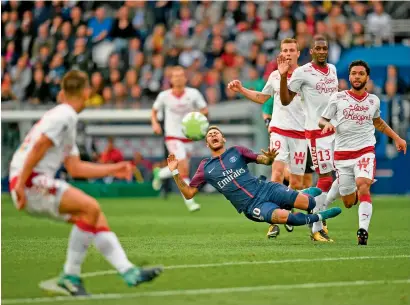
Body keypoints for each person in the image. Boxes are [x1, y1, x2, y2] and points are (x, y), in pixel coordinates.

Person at [9, 70, 162, 296]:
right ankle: (70, 275)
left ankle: (129, 271)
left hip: (31, 180)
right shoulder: (65, 115)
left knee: (95, 217)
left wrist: (115, 169)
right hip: (30, 181)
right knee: (90, 207)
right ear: (87, 92)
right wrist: (21, 184)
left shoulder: (65, 117)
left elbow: (75, 167)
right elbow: (40, 145)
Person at [166, 126, 342, 228]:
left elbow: (262, 160)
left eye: (216, 133)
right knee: (285, 217)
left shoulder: (237, 151)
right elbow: (189, 193)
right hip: (252, 206)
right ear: (207, 143)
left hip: (266, 189)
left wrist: (270, 159)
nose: (213, 135)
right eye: (210, 135)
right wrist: (175, 172)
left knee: (309, 203)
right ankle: (319, 218)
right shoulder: (205, 167)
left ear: (223, 139)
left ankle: (304, 194)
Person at [227, 38, 312, 238]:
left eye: (292, 50)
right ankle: (272, 221)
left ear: (298, 53)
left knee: (298, 183)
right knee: (276, 174)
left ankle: (286, 211)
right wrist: (241, 89)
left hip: (300, 134)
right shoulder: (275, 75)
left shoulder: (306, 76)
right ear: (280, 54)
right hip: (279, 130)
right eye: (285, 50)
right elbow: (262, 97)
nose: (289, 53)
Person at [319, 60, 407, 245]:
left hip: (365, 151)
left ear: (367, 77)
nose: (357, 76)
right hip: (342, 155)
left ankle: (363, 231)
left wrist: (397, 138)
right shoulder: (338, 98)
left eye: (360, 73)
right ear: (349, 76)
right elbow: (322, 120)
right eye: (353, 73)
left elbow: (378, 123)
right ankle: (328, 200)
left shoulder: (373, 100)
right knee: (349, 202)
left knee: (363, 184)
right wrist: (326, 124)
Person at [278, 35, 340, 242]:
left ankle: (290, 200)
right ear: (311, 51)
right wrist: (284, 76)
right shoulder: (302, 72)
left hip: (335, 131)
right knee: (324, 179)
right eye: (318, 48)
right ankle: (316, 227)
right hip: (316, 133)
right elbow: (286, 100)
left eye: (325, 48)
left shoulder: (332, 69)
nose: (322, 51)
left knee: (337, 180)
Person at [151, 66, 209, 212]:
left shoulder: (193, 94)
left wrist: (198, 117)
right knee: (183, 168)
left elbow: (205, 110)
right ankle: (190, 202)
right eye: (174, 76)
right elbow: (154, 111)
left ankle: (161, 173)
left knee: (177, 167)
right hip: (172, 136)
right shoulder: (164, 96)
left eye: (180, 75)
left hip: (189, 137)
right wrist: (155, 123)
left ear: (185, 78)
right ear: (171, 79)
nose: (177, 78)